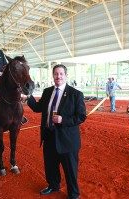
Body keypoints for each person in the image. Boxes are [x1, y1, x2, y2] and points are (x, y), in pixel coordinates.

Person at [22, 64, 86, 199]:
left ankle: (73, 194)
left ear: (66, 75)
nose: (58, 76)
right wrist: (29, 96)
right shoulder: (47, 92)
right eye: (56, 74)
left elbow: (81, 116)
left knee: (70, 169)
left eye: (61, 74)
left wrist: (63, 120)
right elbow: (38, 108)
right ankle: (53, 185)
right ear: (53, 76)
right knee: (50, 165)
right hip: (49, 135)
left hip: (67, 140)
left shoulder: (76, 94)